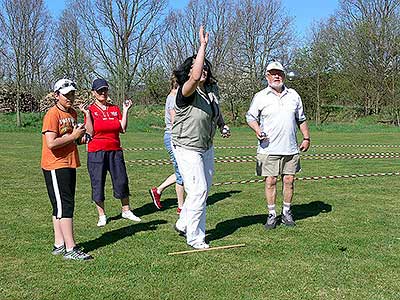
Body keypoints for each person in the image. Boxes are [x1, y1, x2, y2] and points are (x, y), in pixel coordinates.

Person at [172, 26, 230, 249]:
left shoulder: (210, 92)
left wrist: (222, 125)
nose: (203, 69)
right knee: (198, 190)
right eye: (199, 66)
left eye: (205, 66)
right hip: (186, 146)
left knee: (203, 189)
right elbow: (195, 76)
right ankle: (195, 237)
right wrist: (203, 45)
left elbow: (216, 112)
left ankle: (184, 222)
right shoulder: (187, 90)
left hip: (205, 146)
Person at [246, 61, 310, 230]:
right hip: (268, 149)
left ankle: (287, 212)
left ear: (283, 75)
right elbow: (250, 117)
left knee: (289, 180)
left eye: (279, 73)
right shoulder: (260, 96)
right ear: (267, 76)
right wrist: (258, 130)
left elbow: (301, 119)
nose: (276, 76)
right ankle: (272, 214)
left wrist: (306, 137)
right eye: (273, 73)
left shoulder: (294, 95)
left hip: (290, 148)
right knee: (270, 181)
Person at [41, 79, 93, 260]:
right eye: (66, 94)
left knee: (60, 206)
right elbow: (51, 143)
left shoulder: (72, 113)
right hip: (55, 165)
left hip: (69, 163)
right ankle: (71, 249)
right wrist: (73, 136)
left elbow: (77, 139)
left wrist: (81, 136)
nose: (70, 97)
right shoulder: (52, 114)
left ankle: (59, 244)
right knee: (65, 206)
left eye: (72, 94)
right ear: (56, 95)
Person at [79, 78, 141, 227]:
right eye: (100, 90)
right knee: (97, 183)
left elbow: (122, 128)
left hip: (115, 150)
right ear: (93, 93)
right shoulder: (91, 110)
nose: (103, 93)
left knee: (121, 180)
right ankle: (102, 215)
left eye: (105, 89)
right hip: (96, 152)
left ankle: (126, 210)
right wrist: (87, 115)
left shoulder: (114, 109)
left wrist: (125, 110)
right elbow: (90, 132)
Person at [149, 75, 185, 213]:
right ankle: (181, 207)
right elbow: (174, 119)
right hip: (173, 137)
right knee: (181, 172)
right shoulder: (174, 97)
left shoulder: (176, 96)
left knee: (181, 171)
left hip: (177, 137)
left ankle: (158, 191)